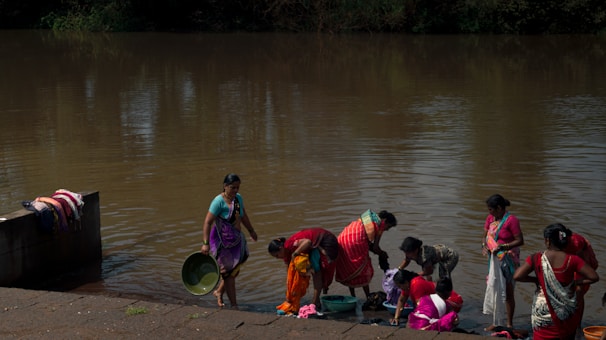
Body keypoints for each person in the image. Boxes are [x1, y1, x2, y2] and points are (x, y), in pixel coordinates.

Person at [513, 223, 599, 340]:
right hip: (565, 311)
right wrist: (575, 283)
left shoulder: (536, 258)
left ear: (547, 241)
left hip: (543, 311)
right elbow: (594, 277)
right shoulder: (572, 260)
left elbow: (517, 276)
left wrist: (536, 280)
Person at [200, 173, 258, 309]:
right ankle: (234, 305)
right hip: (223, 243)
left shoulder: (237, 199)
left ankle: (219, 292)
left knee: (234, 271)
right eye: (233, 188)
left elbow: (242, 216)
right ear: (225, 186)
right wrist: (205, 244)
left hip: (236, 241)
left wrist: (251, 230)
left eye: (238, 188)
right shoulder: (218, 202)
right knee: (228, 274)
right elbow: (207, 223)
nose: (236, 191)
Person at [268, 227, 339, 310]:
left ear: (281, 249)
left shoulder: (290, 244)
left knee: (316, 272)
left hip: (325, 241)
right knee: (308, 270)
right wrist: (290, 295)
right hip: (315, 246)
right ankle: (317, 301)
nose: (278, 258)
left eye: (277, 255)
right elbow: (290, 276)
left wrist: (295, 253)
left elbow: (308, 242)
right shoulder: (285, 255)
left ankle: (315, 301)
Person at [481, 193, 524, 330]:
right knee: (495, 289)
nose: (489, 212)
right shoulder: (490, 219)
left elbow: (520, 240)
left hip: (508, 259)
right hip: (494, 259)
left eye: (491, 209)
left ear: (499, 208)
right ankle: (496, 322)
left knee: (508, 292)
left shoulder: (511, 220)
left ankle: (509, 323)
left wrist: (504, 247)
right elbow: (485, 236)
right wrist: (484, 246)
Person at [335, 209, 397, 299]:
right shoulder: (381, 225)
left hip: (343, 239)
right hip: (356, 240)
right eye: (388, 227)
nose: (387, 230)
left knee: (350, 267)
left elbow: (369, 244)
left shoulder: (369, 219)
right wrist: (382, 254)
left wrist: (380, 252)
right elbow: (375, 248)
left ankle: (352, 297)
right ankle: (367, 296)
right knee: (365, 267)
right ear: (386, 221)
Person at [389, 269, 463, 326]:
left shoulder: (415, 284)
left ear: (405, 282)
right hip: (441, 301)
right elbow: (401, 300)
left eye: (399, 286)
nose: (400, 288)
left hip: (452, 300)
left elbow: (421, 307)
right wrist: (396, 318)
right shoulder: (408, 286)